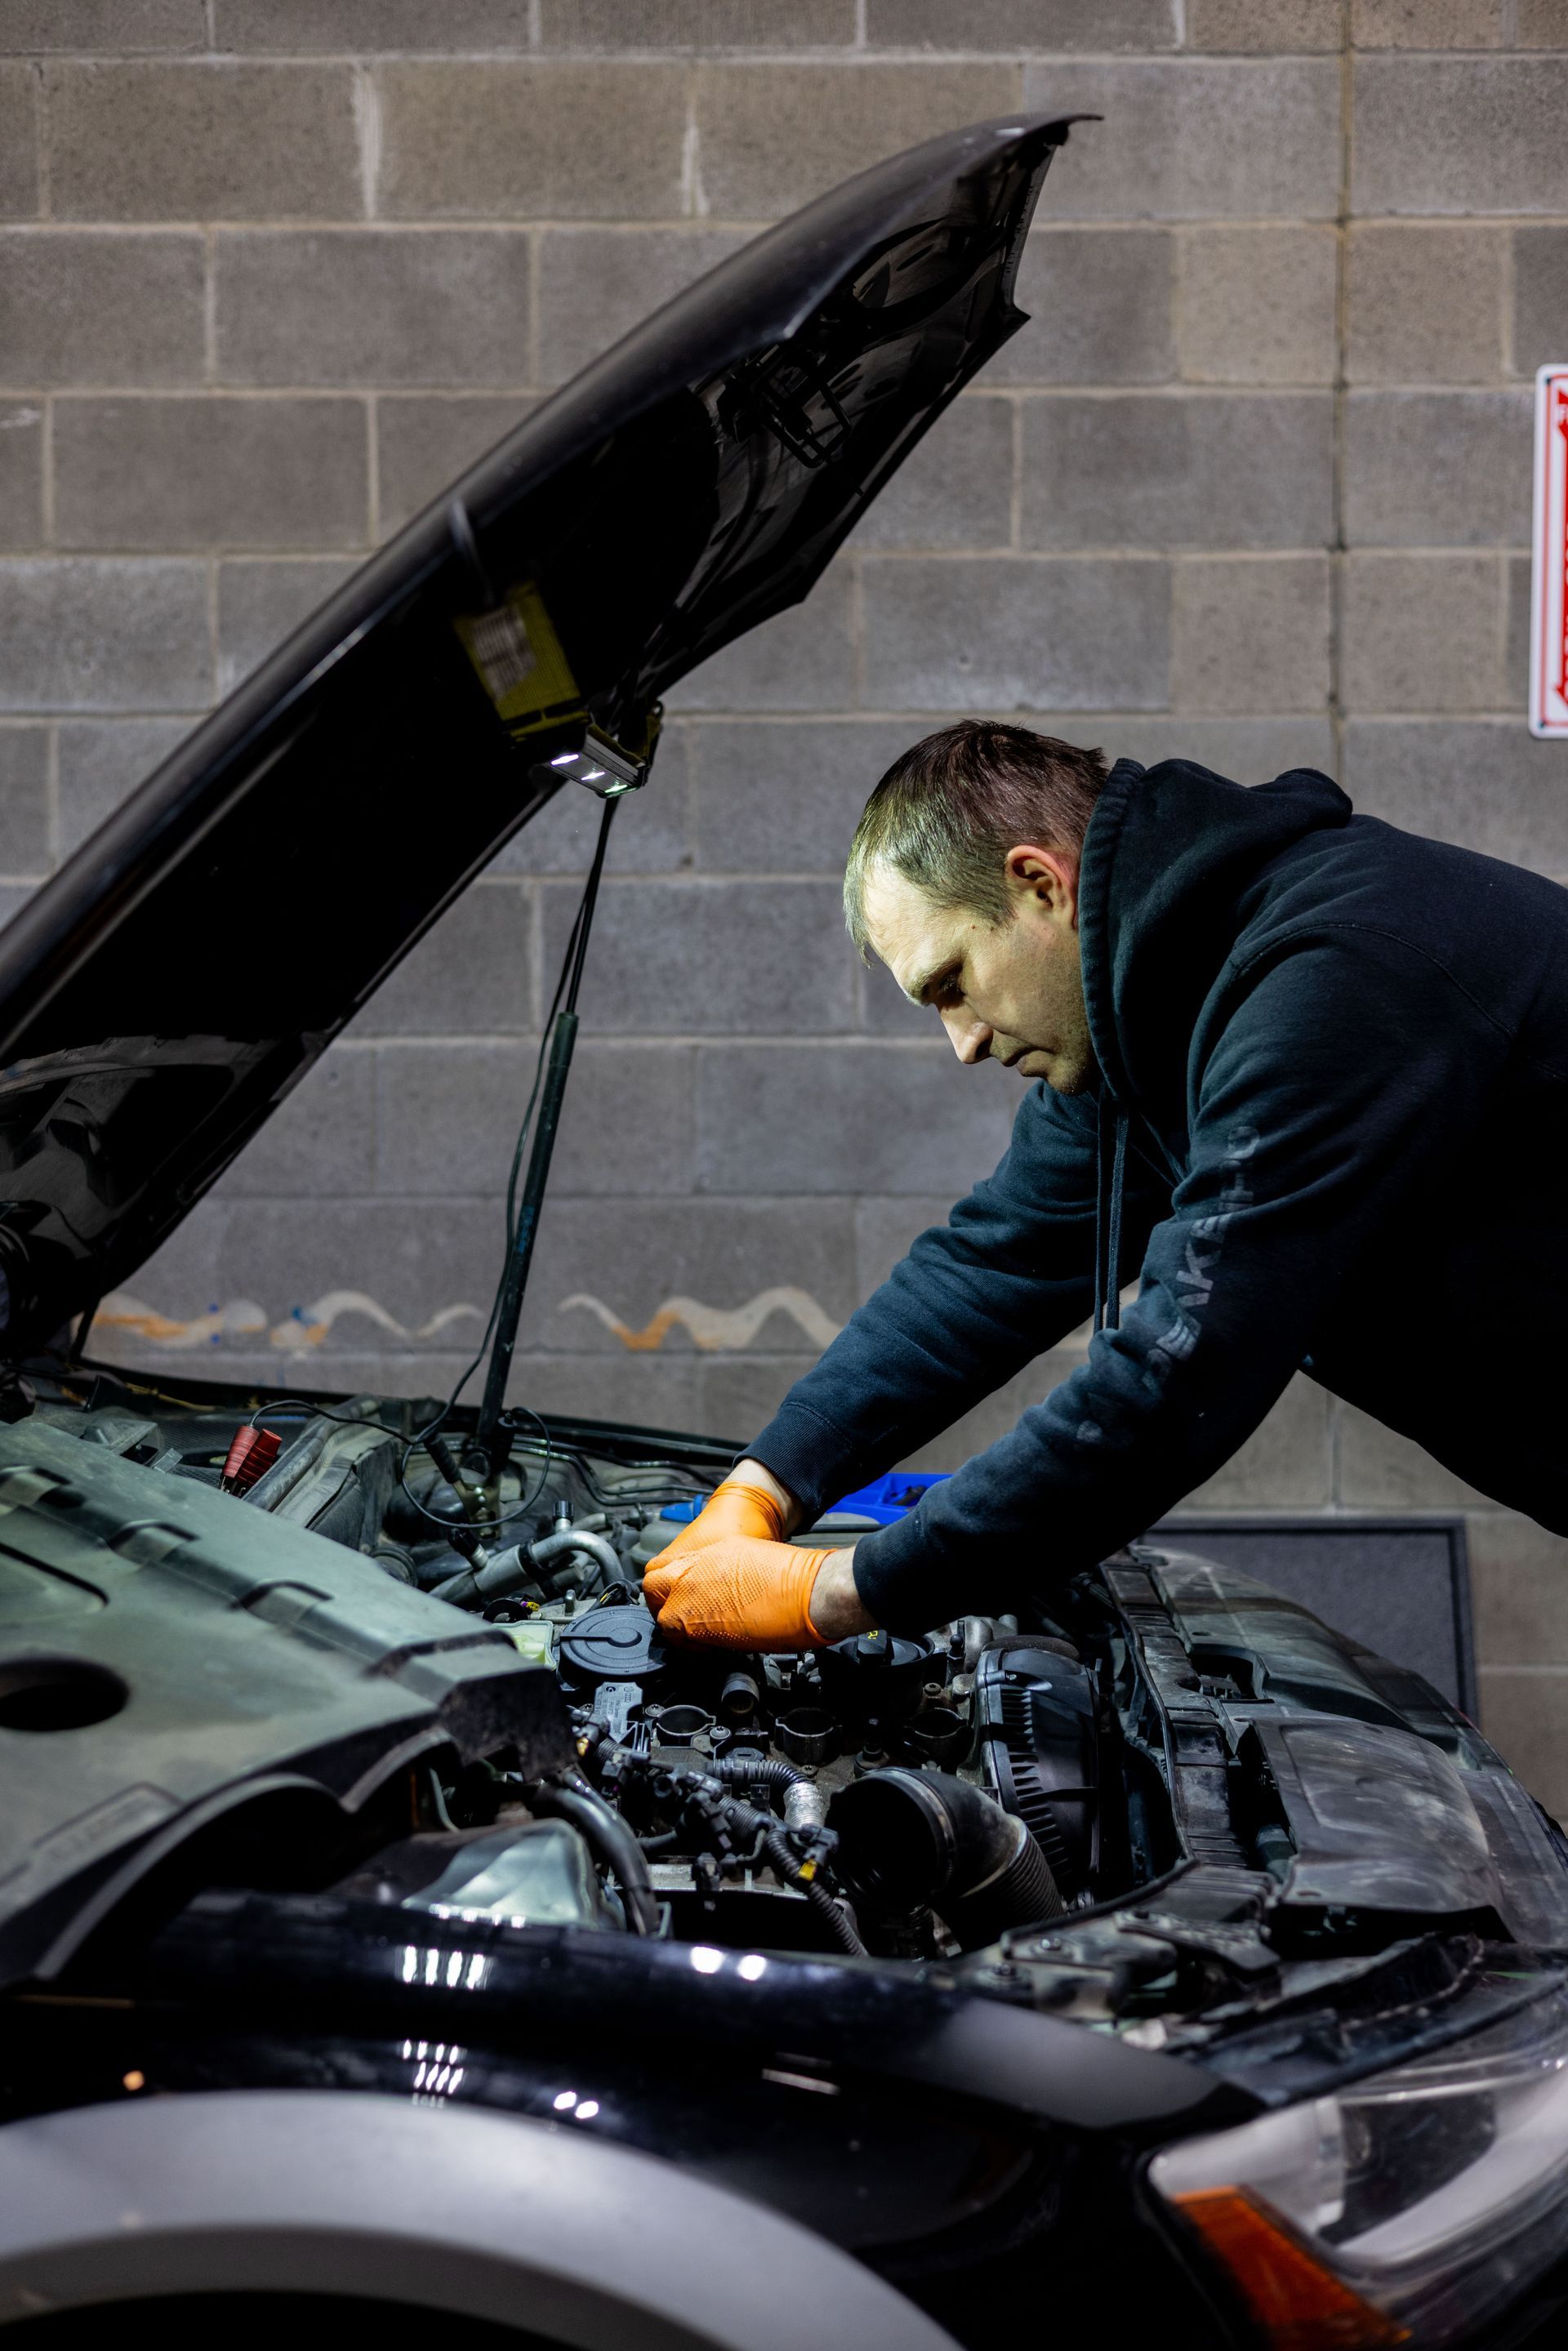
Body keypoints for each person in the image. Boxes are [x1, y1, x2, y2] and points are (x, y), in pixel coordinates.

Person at [644, 719, 1568, 1648]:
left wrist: (836, 1593)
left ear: (1040, 884)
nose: (961, 1042)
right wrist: (763, 1487)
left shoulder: (1337, 974)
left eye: (952, 982)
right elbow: (987, 1266)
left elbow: (1182, 1362)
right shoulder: (1145, 1021)